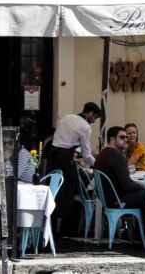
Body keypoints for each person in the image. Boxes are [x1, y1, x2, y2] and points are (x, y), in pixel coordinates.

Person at [47, 101, 101, 237]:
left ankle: (51, 227)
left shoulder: (66, 117)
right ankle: (65, 229)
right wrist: (98, 164)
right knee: (67, 194)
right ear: (90, 114)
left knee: (52, 191)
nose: (94, 121)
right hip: (65, 161)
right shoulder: (85, 127)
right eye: (95, 118)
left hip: (52, 158)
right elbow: (87, 154)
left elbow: (62, 140)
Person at [94, 126, 145, 215]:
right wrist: (143, 186)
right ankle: (143, 227)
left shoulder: (103, 153)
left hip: (106, 199)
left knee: (142, 193)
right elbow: (128, 185)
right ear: (112, 140)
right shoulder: (116, 156)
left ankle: (138, 226)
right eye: (122, 137)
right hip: (116, 201)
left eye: (126, 137)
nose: (126, 140)